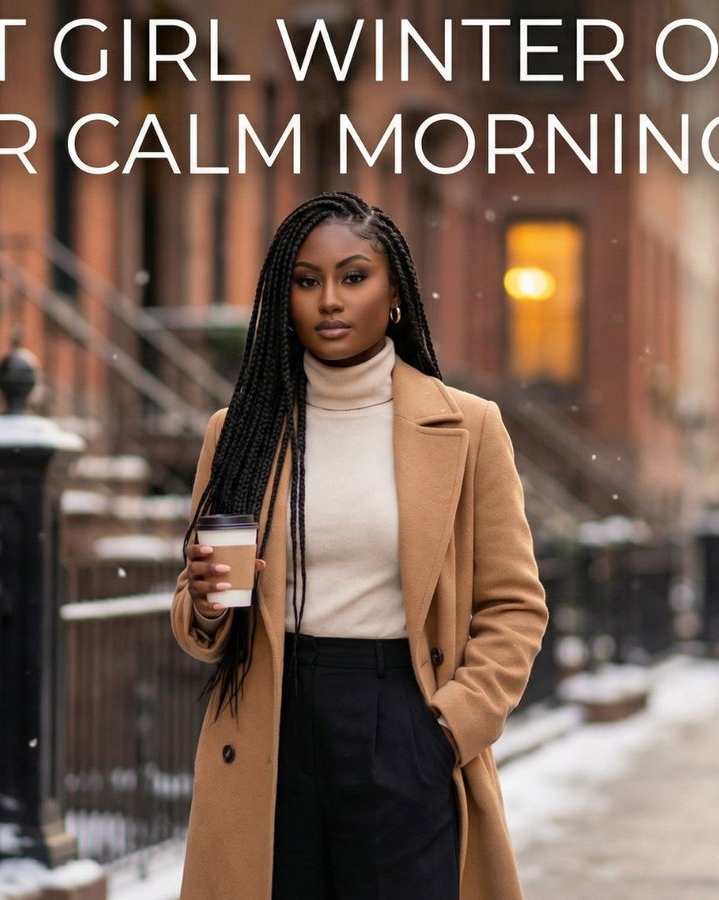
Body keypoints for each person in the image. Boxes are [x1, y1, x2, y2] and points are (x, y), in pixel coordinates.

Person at [170, 191, 548, 900]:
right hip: (271, 722)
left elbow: (514, 607)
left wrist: (447, 730)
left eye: (353, 277)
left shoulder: (467, 428)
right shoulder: (240, 432)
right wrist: (209, 604)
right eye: (306, 281)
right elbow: (201, 625)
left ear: (395, 291)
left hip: (401, 712)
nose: (329, 301)